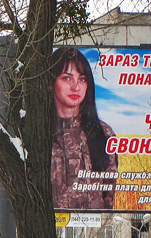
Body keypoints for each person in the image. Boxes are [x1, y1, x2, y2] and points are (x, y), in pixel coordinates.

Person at [50, 46, 117, 211]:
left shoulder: (104, 133)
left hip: (94, 232)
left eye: (82, 79)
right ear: (52, 81)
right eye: (67, 78)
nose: (75, 87)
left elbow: (109, 195)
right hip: (50, 229)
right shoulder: (39, 132)